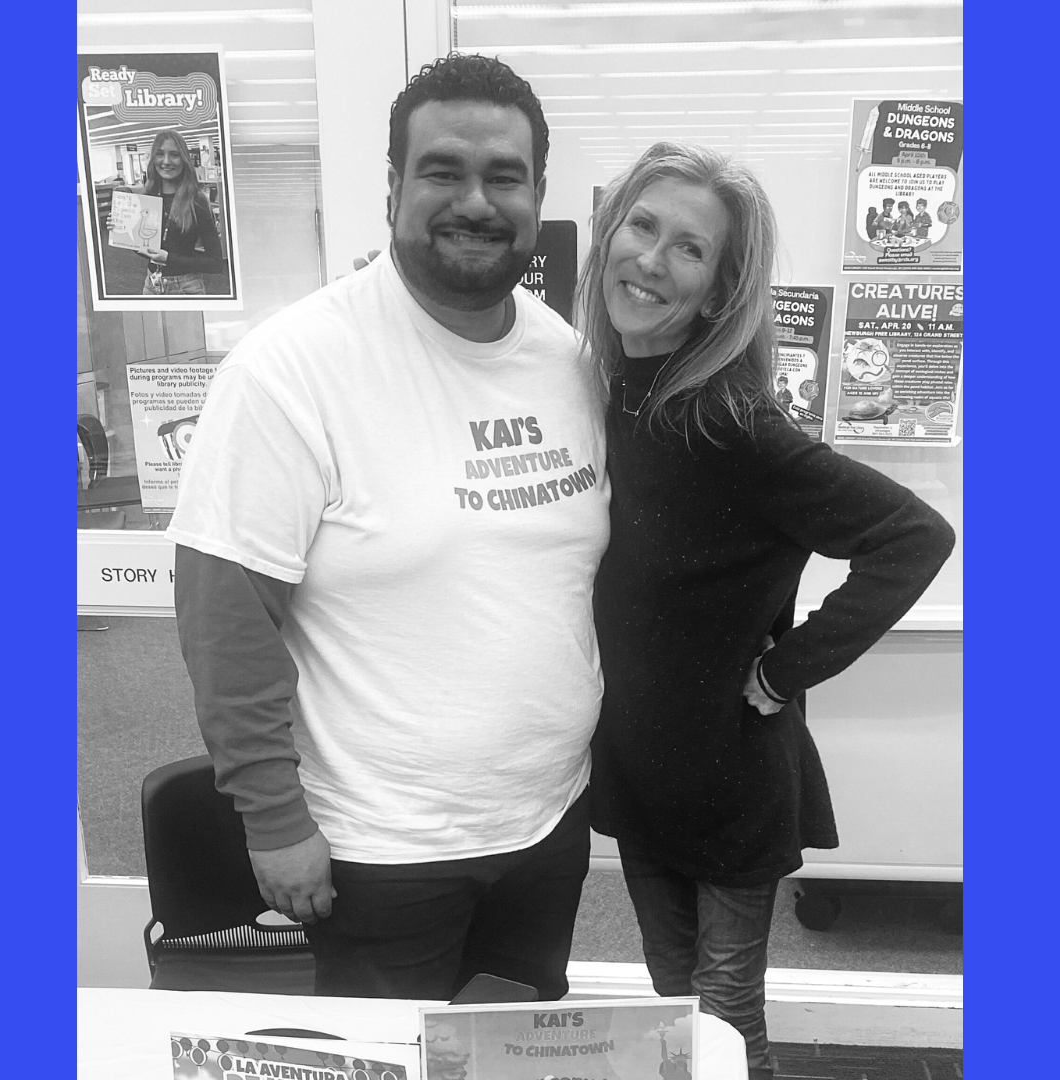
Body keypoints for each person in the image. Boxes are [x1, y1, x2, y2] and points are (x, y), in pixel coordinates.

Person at [166, 54, 610, 1001]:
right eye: (443, 171)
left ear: (538, 193)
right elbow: (225, 615)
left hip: (547, 824)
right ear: (394, 188)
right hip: (381, 849)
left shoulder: (566, 360)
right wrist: (274, 821)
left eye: (505, 176)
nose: (476, 202)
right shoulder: (294, 369)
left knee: (513, 1061)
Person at [574, 142, 955, 1080]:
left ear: (717, 290)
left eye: (690, 249)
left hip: (728, 771)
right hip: (638, 761)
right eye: (642, 225)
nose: (653, 261)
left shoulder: (731, 423)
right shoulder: (607, 391)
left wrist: (790, 668)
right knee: (673, 996)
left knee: (726, 1014)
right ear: (608, 237)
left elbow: (913, 535)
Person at [124, 128, 227, 295]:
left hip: (186, 287)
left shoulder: (196, 200)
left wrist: (168, 258)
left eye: (174, 154)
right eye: (160, 154)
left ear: (184, 159)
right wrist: (123, 229)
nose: (166, 161)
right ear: (153, 158)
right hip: (151, 284)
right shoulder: (147, 197)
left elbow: (215, 263)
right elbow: (143, 248)